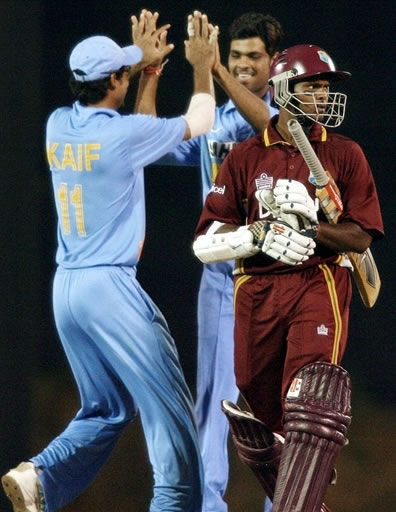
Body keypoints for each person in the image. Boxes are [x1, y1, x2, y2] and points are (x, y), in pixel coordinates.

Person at [1, 10, 218, 512]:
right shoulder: (120, 136)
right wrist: (201, 66)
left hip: (67, 291)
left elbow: (135, 134)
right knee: (173, 424)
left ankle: (41, 475)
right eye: (123, 69)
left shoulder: (58, 125)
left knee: (108, 407)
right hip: (110, 289)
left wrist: (146, 69)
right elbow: (201, 120)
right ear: (115, 81)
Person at [192, 44, 383, 511]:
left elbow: (360, 238)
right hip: (254, 290)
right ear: (281, 90)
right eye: (312, 87)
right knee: (261, 417)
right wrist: (257, 235)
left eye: (326, 88)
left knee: (311, 398)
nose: (323, 96)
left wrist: (312, 229)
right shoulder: (242, 156)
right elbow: (205, 239)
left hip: (317, 283)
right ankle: (307, 500)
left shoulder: (345, 153)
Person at [153, 12, 283, 511]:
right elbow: (151, 141)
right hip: (223, 284)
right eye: (235, 56)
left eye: (254, 57)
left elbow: (272, 127)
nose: (244, 65)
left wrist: (213, 70)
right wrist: (151, 75)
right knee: (212, 407)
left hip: (279, 283)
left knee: (278, 413)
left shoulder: (290, 115)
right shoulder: (215, 123)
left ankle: (284, 503)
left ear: (275, 63)